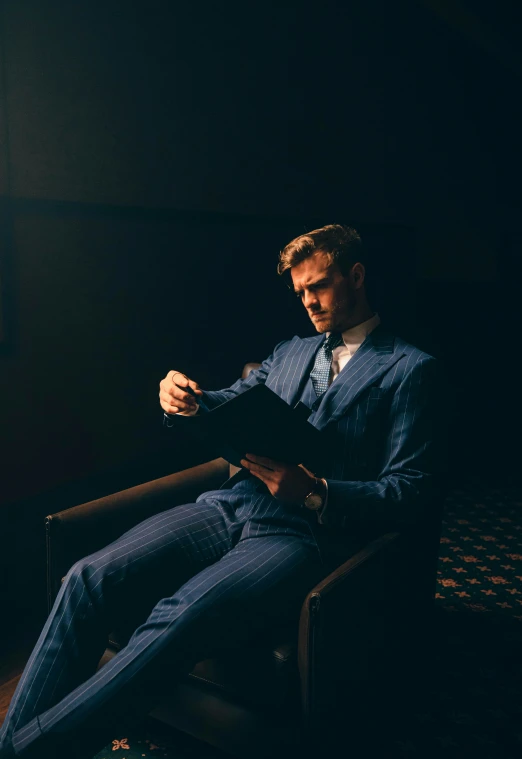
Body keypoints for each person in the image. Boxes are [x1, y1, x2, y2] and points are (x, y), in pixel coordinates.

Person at [0, 224, 442, 758]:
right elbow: (229, 404)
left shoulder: (410, 368)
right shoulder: (290, 351)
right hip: (228, 505)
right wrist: (183, 401)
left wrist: (317, 491)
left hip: (299, 534)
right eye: (300, 291)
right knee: (88, 576)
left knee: (181, 615)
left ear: (356, 275)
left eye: (319, 286)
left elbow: (409, 490)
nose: (308, 301)